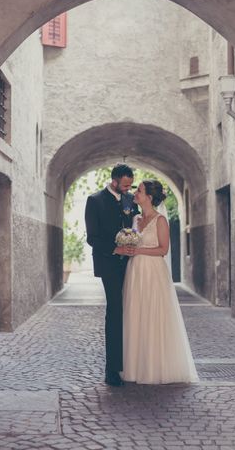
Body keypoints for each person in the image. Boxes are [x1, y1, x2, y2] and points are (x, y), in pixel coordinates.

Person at [122, 179, 199, 384]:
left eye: (139, 190)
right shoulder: (136, 218)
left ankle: (156, 367)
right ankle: (136, 367)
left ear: (149, 197)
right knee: (136, 314)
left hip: (153, 272)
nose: (135, 193)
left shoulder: (160, 220)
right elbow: (132, 241)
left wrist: (138, 250)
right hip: (135, 271)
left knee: (153, 314)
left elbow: (163, 250)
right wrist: (127, 248)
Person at [85, 163, 139, 386]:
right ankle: (112, 369)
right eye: (125, 185)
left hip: (132, 264)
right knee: (115, 311)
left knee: (133, 311)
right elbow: (92, 237)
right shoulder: (95, 200)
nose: (128, 189)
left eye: (130, 185)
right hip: (109, 264)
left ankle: (133, 363)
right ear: (114, 181)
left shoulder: (130, 200)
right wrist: (116, 248)